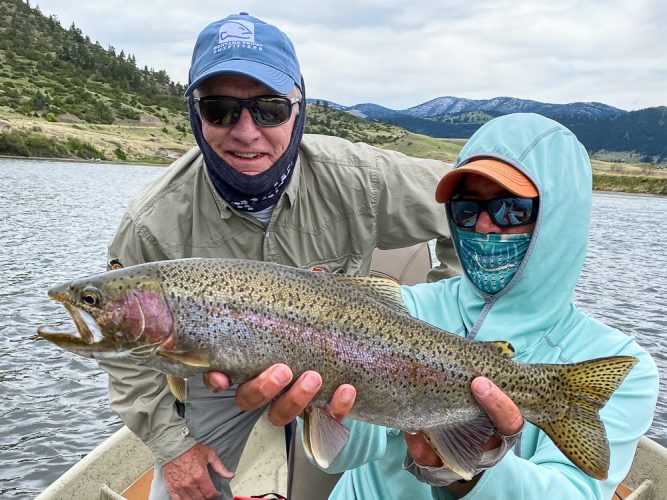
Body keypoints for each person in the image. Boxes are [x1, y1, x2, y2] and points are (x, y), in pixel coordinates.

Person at [99, 12, 461, 500]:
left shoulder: (361, 177)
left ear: (298, 108)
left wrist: (435, 320)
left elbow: (469, 204)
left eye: (268, 109)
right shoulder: (152, 221)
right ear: (195, 114)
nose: (246, 131)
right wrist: (174, 450)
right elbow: (124, 354)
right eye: (220, 109)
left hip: (351, 365)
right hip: (218, 377)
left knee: (410, 475)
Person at [251, 113, 658, 499]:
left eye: (511, 208)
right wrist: (316, 401)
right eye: (467, 209)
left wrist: (474, 471)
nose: (483, 225)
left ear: (559, 218)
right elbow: (348, 453)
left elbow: (575, 493)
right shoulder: (405, 308)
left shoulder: (621, 364)